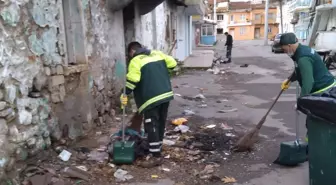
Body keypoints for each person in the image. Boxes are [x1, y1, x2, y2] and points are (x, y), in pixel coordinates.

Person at [120, 42, 177, 168]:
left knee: (151, 124)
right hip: (166, 94)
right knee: (160, 122)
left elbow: (132, 80)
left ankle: (155, 156)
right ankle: (157, 147)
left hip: (151, 98)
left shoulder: (136, 61)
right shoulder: (157, 54)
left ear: (132, 52)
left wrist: (124, 94)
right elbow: (173, 64)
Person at [280, 32, 335, 142]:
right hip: (326, 85)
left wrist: (301, 101)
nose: (284, 51)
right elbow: (300, 70)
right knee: (315, 119)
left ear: (289, 45)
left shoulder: (303, 57)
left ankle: (313, 147)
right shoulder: (301, 51)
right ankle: (313, 145)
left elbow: (308, 82)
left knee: (315, 120)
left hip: (323, 90)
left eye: (284, 49)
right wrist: (289, 80)